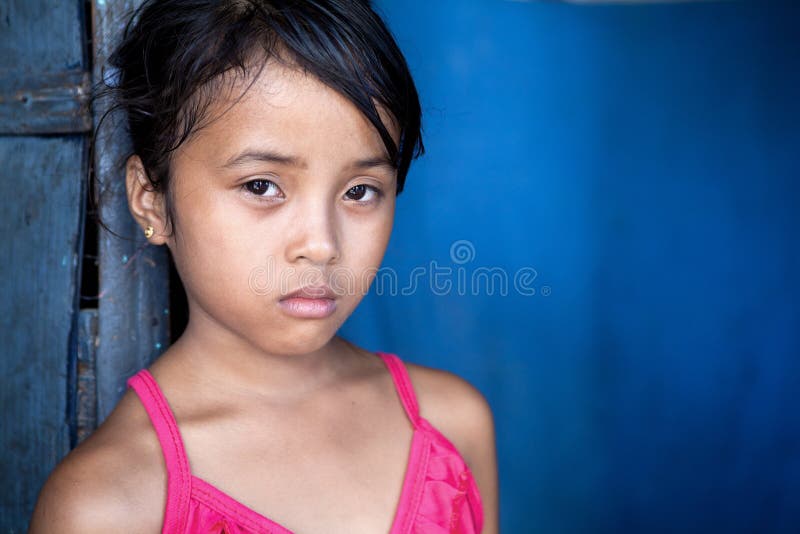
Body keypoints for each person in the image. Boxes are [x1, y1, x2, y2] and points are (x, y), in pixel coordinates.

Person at [29, 1, 498, 532]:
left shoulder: (452, 427)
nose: (321, 245)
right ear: (151, 200)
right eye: (261, 186)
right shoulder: (110, 504)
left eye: (360, 191)